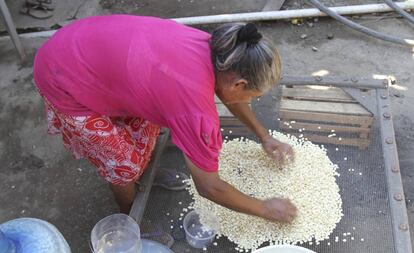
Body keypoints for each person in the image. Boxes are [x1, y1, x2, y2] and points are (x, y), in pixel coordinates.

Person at [33, 15, 297, 222]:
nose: (249, 101)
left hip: (81, 44)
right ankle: (130, 216)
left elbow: (230, 94)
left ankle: (144, 176)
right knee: (122, 164)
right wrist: (265, 208)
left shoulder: (218, 51)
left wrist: (264, 136)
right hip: (63, 77)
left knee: (146, 130)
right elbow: (209, 187)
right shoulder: (194, 108)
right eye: (253, 94)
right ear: (239, 83)